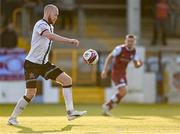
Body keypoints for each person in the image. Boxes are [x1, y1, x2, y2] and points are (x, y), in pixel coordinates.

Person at [8, 4, 87, 125]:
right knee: (30, 94)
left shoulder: (50, 26)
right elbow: (49, 36)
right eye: (55, 15)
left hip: (44, 64)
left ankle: (70, 112)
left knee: (67, 80)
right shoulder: (41, 24)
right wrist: (69, 40)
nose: (56, 17)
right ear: (49, 12)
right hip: (32, 65)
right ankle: (12, 118)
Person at [101, 34, 143, 116]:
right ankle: (107, 105)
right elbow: (109, 57)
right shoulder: (119, 49)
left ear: (134, 42)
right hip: (116, 73)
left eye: (132, 41)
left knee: (123, 92)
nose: (130, 43)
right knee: (123, 91)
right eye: (128, 41)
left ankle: (107, 108)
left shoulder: (134, 51)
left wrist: (139, 64)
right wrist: (104, 70)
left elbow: (136, 64)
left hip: (123, 74)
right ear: (125, 41)